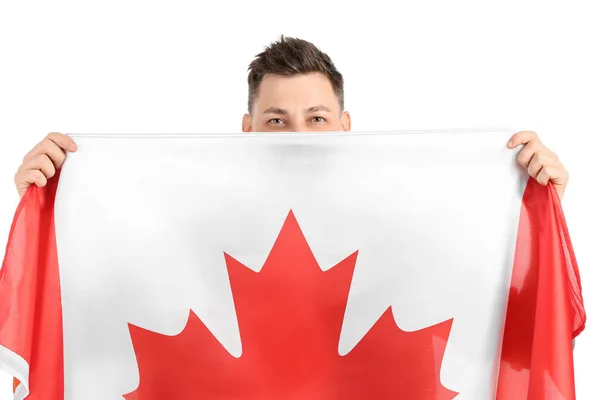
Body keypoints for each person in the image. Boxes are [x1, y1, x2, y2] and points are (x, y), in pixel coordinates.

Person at [13, 35, 569, 200]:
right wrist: (48, 209)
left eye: (318, 118)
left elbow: (494, 325)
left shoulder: (403, 211)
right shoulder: (193, 216)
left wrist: (539, 210)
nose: (300, 136)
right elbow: (96, 311)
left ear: (345, 127)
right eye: (278, 120)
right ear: (248, 129)